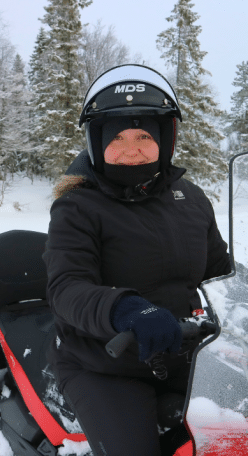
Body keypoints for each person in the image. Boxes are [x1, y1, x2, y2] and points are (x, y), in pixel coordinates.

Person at [42, 64, 231, 456]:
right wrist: (126, 310)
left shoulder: (191, 199)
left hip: (194, 356)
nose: (132, 149)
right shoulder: (77, 207)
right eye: (118, 137)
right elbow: (67, 288)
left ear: (165, 138)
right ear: (97, 142)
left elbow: (220, 272)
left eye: (144, 135)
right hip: (106, 364)